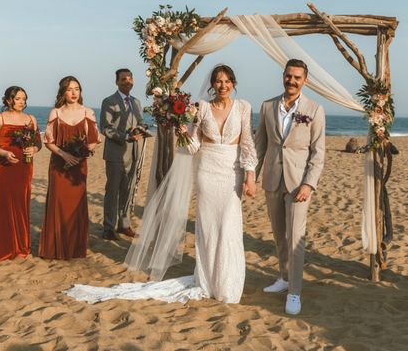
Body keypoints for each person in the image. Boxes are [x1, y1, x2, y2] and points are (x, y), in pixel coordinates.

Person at [64, 64, 257, 304]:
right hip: (207, 171)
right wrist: (181, 131)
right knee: (207, 228)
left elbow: (247, 142)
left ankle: (228, 283)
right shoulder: (202, 108)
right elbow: (195, 144)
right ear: (212, 84)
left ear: (234, 83)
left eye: (227, 81)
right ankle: (208, 279)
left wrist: (250, 175)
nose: (223, 86)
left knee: (228, 226)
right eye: (218, 81)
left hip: (231, 173)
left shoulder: (243, 107)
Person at [255, 58, 326, 315]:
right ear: (283, 76)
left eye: (297, 77)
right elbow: (260, 146)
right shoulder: (266, 106)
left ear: (304, 80)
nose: (292, 80)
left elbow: (318, 153)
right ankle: (284, 278)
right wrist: (252, 176)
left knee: (296, 238)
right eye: (288, 76)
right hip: (273, 180)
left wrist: (309, 183)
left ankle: (295, 292)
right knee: (279, 235)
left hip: (299, 185)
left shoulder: (315, 109)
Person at [38, 76, 100, 260]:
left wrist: (79, 156)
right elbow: (48, 141)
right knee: (58, 203)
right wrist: (65, 155)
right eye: (70, 89)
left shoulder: (88, 112)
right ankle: (54, 248)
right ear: (63, 92)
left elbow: (94, 140)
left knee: (76, 204)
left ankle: (75, 248)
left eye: (77, 89)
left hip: (79, 165)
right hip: (59, 164)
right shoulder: (55, 113)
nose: (74, 92)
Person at [0, 86, 41, 262]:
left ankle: (20, 246)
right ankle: (2, 247)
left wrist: (35, 148)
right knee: (3, 203)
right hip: (4, 166)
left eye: (24, 99)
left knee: (21, 203)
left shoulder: (31, 119)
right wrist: (4, 153)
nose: (22, 102)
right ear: (8, 100)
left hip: (24, 166)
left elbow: (38, 142)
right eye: (18, 99)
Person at [100, 68, 144, 240]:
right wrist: (126, 136)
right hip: (115, 154)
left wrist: (142, 129)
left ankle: (124, 225)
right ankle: (108, 227)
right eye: (123, 79)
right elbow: (105, 127)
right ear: (117, 82)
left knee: (128, 191)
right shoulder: (109, 101)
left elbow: (140, 122)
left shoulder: (137, 102)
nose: (127, 81)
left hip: (133, 154)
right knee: (112, 191)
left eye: (130, 78)